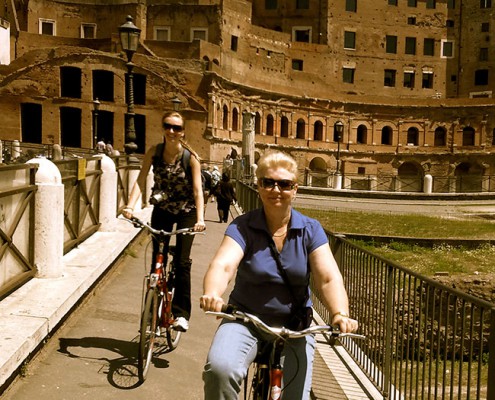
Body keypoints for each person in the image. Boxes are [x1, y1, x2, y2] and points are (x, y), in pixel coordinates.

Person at [200, 150, 358, 399]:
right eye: (268, 182)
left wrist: (340, 313)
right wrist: (213, 292)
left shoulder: (310, 229)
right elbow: (224, 265)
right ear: (258, 186)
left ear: (295, 189)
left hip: (295, 326)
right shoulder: (242, 226)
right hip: (245, 319)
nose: (276, 189)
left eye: (284, 184)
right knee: (220, 371)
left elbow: (328, 277)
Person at [123, 111, 206, 332]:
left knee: (181, 262)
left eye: (177, 128)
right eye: (168, 126)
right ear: (163, 127)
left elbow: (198, 191)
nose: (171, 131)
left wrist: (200, 218)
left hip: (187, 211)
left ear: (183, 132)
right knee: (155, 262)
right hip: (162, 210)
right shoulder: (154, 152)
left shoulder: (191, 158)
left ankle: (181, 314)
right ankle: (152, 310)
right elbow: (141, 181)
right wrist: (130, 206)